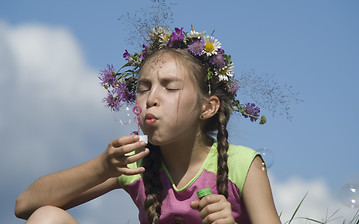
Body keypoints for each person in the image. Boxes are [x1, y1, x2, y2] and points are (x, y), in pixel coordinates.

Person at [15, 26, 281, 224]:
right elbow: (25, 205)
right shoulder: (135, 163)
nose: (151, 98)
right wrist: (101, 167)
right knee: (47, 217)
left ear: (207, 107)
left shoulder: (244, 165)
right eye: (144, 88)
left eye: (169, 87)